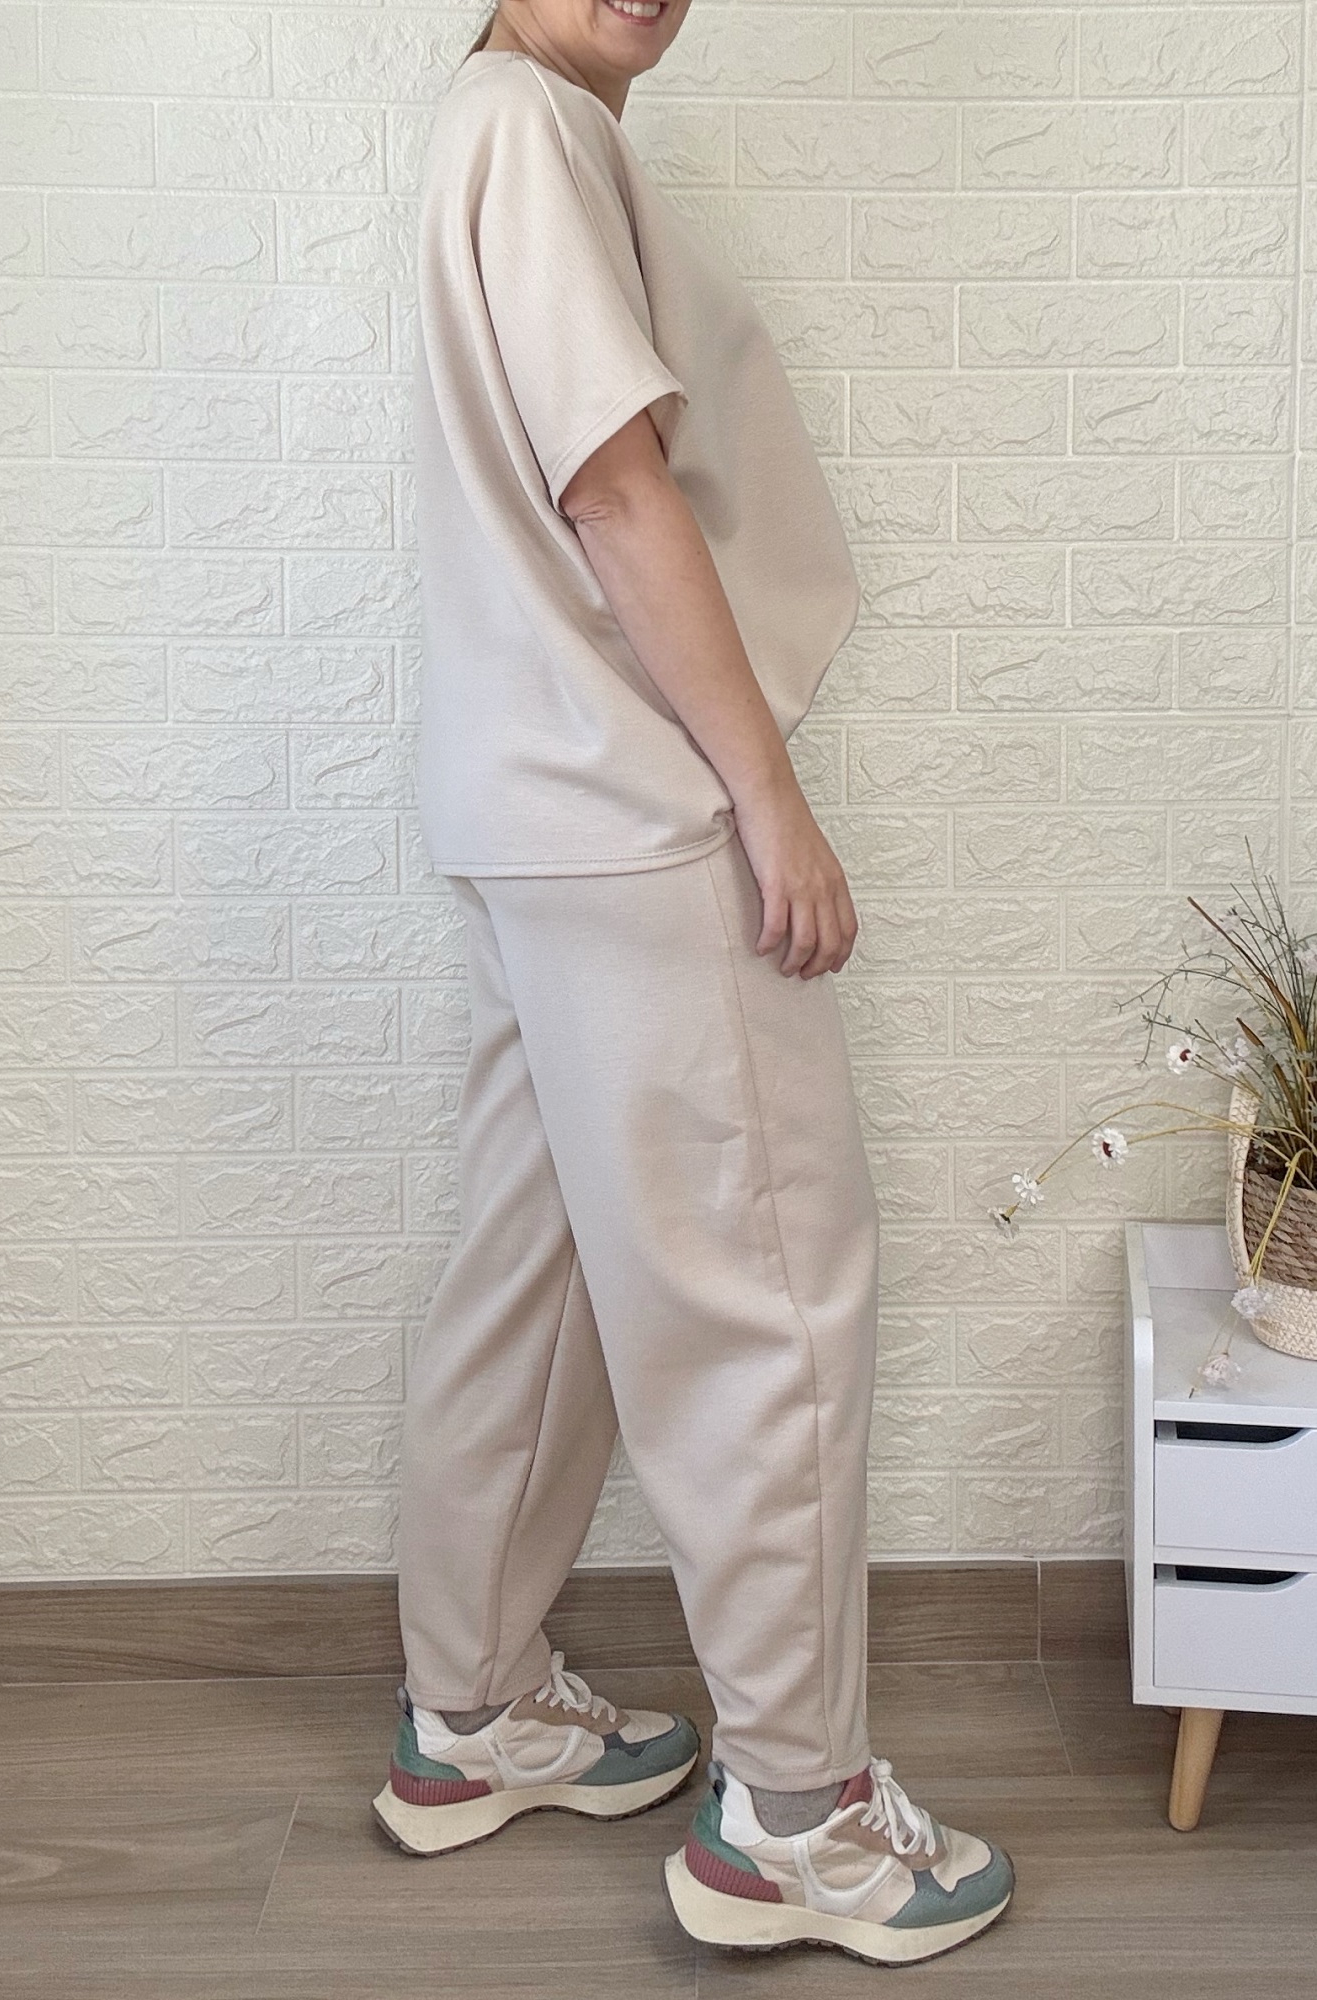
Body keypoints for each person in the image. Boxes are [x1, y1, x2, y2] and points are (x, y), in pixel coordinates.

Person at [372, 0, 1014, 1965]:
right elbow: (617, 486)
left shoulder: (495, 124)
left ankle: (474, 1709)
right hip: (632, 810)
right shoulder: (534, 131)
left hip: (523, 803)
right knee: (770, 1298)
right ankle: (799, 1818)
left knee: (542, 1271)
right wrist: (767, 799)